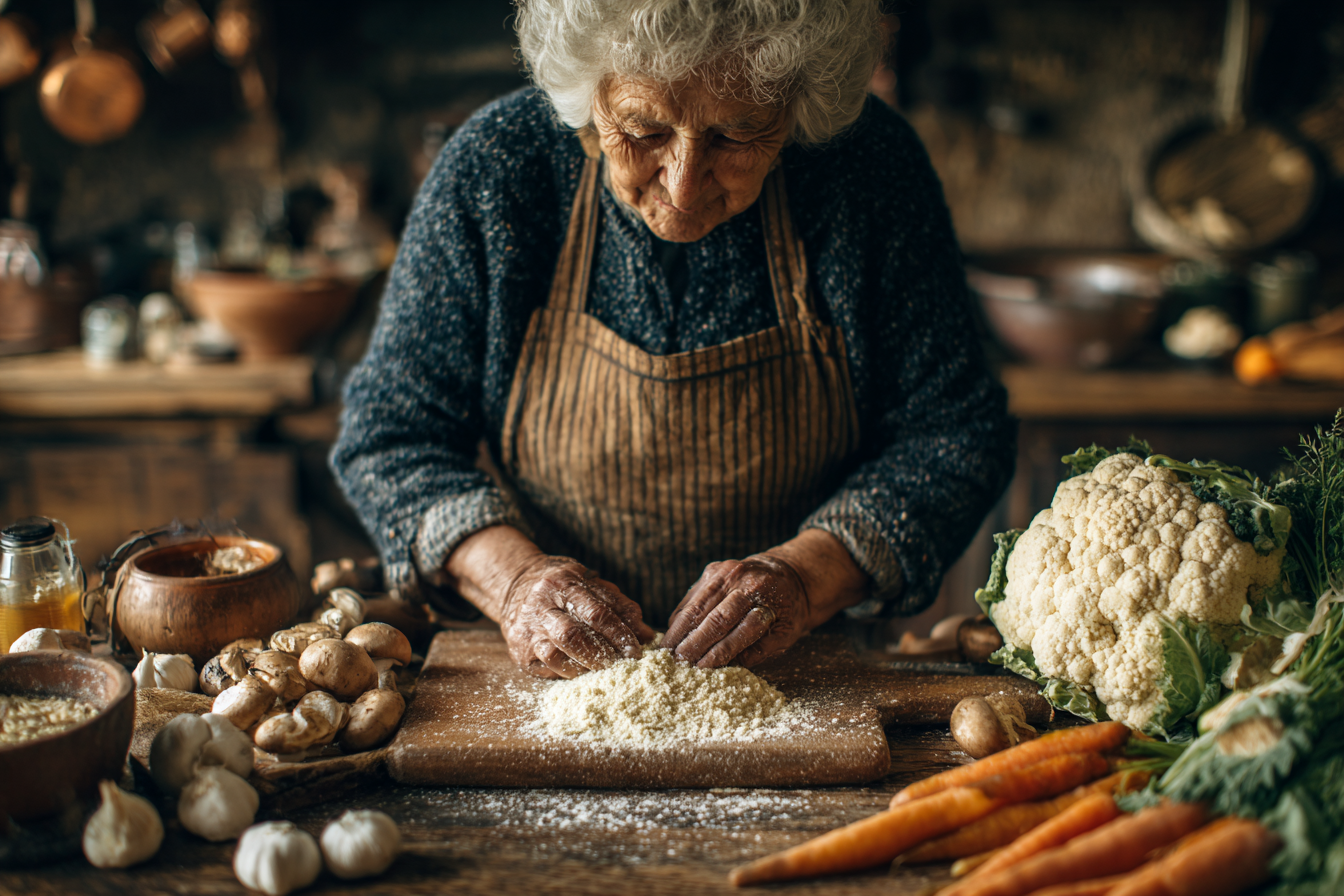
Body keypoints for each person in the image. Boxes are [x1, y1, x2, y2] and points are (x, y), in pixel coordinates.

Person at [331, 0, 1016, 680]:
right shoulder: (500, 167)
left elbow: (955, 434)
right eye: (643, 128)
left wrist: (806, 578)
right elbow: (391, 436)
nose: (684, 184)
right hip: (541, 678)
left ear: (798, 109)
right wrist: (513, 582)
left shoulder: (868, 171)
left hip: (801, 676)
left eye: (738, 134)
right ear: (589, 99)